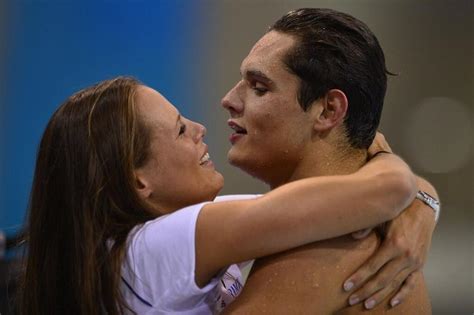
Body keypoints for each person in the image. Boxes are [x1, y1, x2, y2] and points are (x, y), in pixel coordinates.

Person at [18, 77, 419, 315]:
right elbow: (389, 190)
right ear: (138, 180)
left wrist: (420, 210)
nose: (199, 128)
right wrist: (380, 153)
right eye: (178, 130)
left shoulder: (134, 249)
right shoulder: (160, 246)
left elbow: (363, 201)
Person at [220, 8, 439, 314]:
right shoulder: (349, 228)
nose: (229, 99)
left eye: (259, 87)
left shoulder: (326, 245)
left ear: (328, 111)